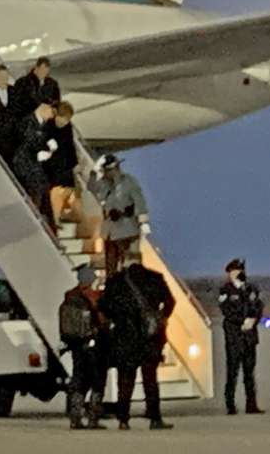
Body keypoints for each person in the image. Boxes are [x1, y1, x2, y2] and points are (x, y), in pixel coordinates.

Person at [99, 255, 175, 431]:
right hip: (150, 338)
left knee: (125, 379)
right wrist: (161, 318)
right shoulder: (155, 278)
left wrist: (116, 322)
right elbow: (170, 302)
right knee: (150, 379)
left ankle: (123, 419)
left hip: (125, 337)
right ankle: (154, 418)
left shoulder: (116, 282)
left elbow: (104, 307)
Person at [59, 265, 109, 430]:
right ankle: (93, 418)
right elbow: (102, 320)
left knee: (79, 379)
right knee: (97, 380)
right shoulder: (93, 297)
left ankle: (75, 417)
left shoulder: (69, 296)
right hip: (94, 344)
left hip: (76, 345)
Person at [88, 154, 150, 276]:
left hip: (128, 228)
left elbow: (139, 201)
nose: (111, 172)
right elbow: (91, 186)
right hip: (110, 230)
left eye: (113, 169)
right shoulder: (103, 184)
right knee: (111, 265)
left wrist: (143, 221)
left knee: (131, 263)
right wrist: (94, 170)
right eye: (107, 170)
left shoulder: (129, 181)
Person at [219, 258, 264, 415]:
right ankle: (230, 405)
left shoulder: (251, 289)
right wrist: (241, 321)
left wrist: (253, 320)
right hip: (234, 337)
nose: (238, 273)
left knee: (249, 373)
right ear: (230, 273)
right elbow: (226, 311)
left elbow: (258, 307)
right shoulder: (226, 291)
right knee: (232, 372)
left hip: (249, 337)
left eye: (240, 271)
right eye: (235, 271)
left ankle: (251, 404)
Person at [12, 102, 57, 228]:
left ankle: (44, 223)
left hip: (34, 165)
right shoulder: (28, 122)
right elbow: (25, 143)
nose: (51, 117)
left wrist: (48, 145)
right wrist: (38, 153)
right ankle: (33, 220)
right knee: (36, 190)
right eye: (51, 112)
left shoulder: (42, 124)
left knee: (43, 190)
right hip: (25, 164)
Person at [44, 101, 79, 224]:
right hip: (50, 163)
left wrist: (75, 164)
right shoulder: (48, 125)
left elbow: (70, 146)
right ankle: (54, 216)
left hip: (63, 162)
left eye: (67, 120)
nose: (64, 123)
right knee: (55, 190)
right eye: (62, 119)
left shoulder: (67, 128)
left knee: (68, 188)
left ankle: (63, 212)